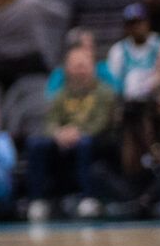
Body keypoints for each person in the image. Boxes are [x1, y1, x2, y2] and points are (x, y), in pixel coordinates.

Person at [26, 45, 120, 221]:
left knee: (85, 143)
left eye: (83, 65)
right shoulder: (62, 94)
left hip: (94, 140)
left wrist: (77, 132)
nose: (80, 70)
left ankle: (88, 198)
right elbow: (50, 121)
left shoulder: (104, 93)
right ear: (67, 69)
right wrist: (58, 133)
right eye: (75, 66)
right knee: (36, 143)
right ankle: (37, 200)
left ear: (92, 67)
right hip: (64, 141)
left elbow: (101, 122)